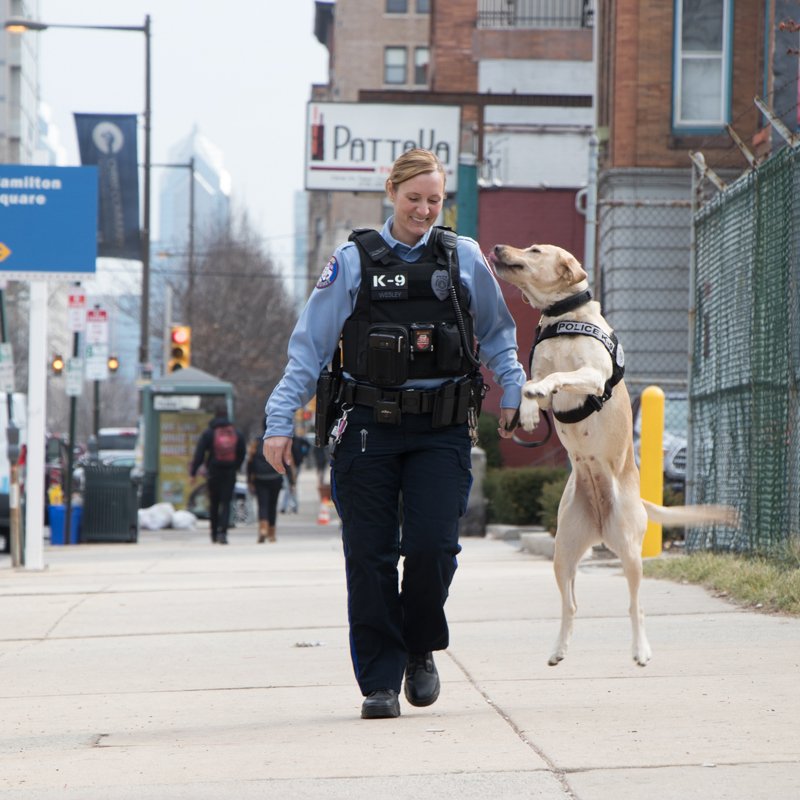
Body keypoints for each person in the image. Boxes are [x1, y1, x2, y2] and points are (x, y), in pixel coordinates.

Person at [262, 148, 524, 719]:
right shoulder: (353, 261)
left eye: (434, 200)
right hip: (367, 431)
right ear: (391, 192)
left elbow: (499, 332)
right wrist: (280, 420)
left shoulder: (463, 257)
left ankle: (420, 645)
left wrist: (514, 389)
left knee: (433, 546)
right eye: (414, 199)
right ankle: (379, 682)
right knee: (370, 556)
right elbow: (308, 348)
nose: (425, 210)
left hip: (442, 428)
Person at [190, 405, 246, 545]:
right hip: (229, 472)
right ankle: (223, 533)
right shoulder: (236, 433)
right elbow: (242, 453)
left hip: (213, 472)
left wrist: (193, 472)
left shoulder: (209, 433)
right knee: (226, 503)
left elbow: (200, 454)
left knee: (214, 503)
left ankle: (214, 533)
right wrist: (235, 467)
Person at [246, 427, 283, 543]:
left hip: (260, 478)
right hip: (275, 477)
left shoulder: (256, 442)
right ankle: (271, 533)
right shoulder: (279, 441)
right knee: (273, 505)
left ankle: (263, 529)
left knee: (262, 504)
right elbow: (285, 460)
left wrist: (249, 479)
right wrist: (290, 479)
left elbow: (250, 462)